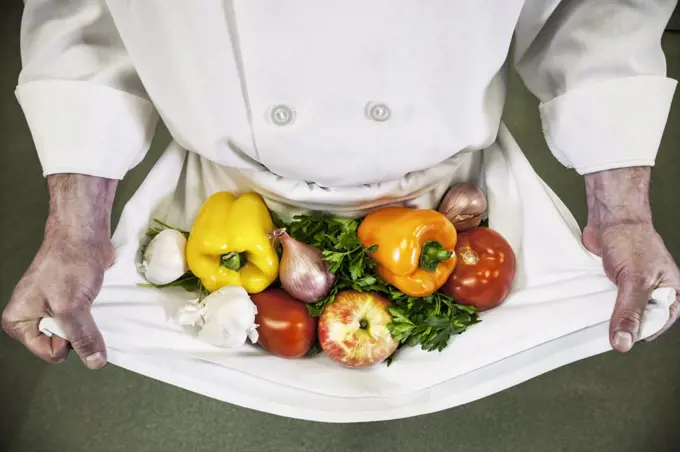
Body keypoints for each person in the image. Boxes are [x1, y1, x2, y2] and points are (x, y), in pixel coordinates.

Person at [2, 0, 680, 371]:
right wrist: (75, 229)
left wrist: (622, 213)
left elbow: (598, 12)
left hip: (458, 197)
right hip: (209, 198)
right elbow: (84, 18)